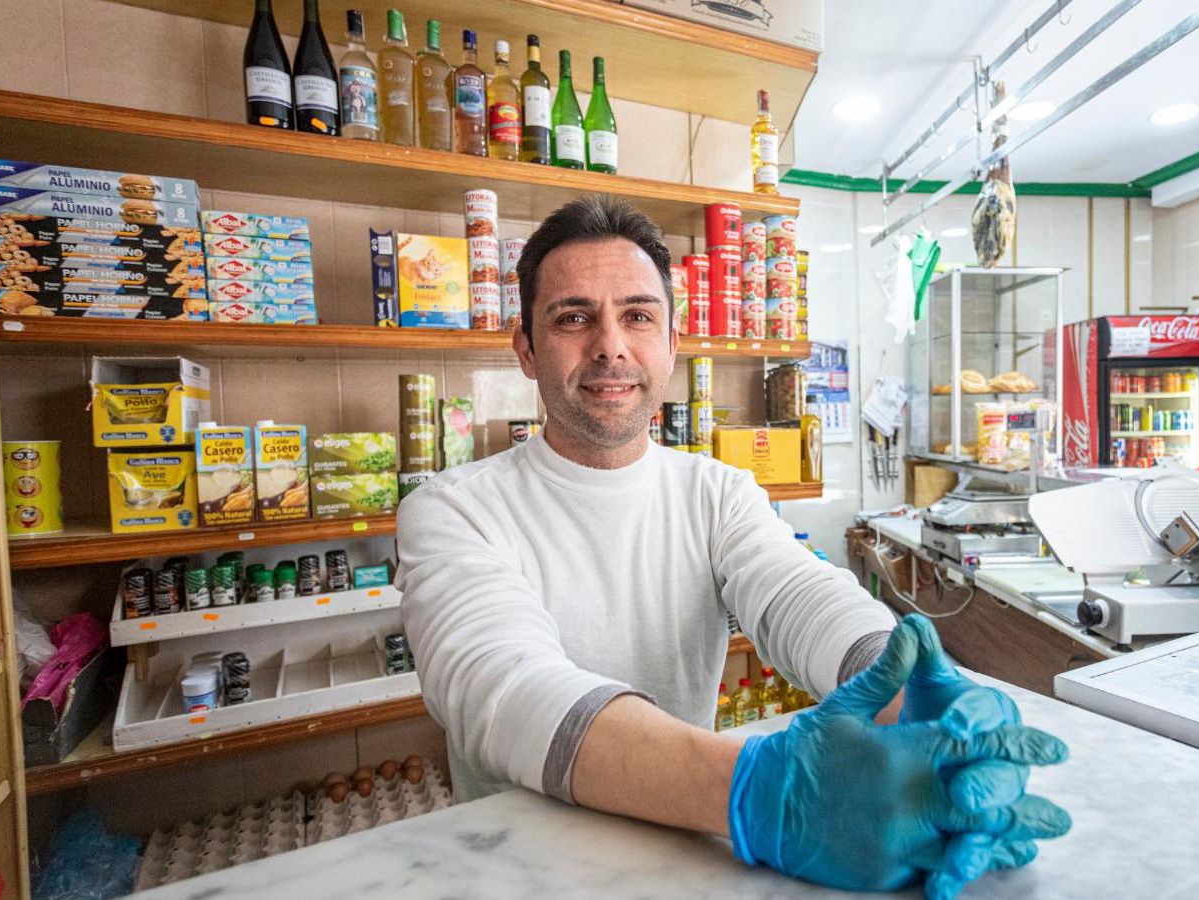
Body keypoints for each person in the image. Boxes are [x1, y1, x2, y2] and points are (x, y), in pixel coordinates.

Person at [397, 196, 1068, 899]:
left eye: (637, 316)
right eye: (572, 318)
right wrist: (754, 789)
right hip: (518, 873)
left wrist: (908, 686)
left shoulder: (715, 492)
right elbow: (504, 688)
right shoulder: (451, 509)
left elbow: (799, 594)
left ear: (672, 343)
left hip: (689, 857)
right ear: (526, 350)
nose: (610, 346)